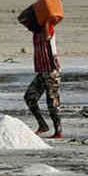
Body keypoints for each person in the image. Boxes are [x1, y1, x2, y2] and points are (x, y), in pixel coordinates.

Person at [23, 10, 63, 139]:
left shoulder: (49, 27)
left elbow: (47, 37)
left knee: (52, 102)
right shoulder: (36, 32)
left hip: (51, 71)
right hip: (42, 71)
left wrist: (46, 19)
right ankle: (43, 125)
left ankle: (58, 131)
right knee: (29, 97)